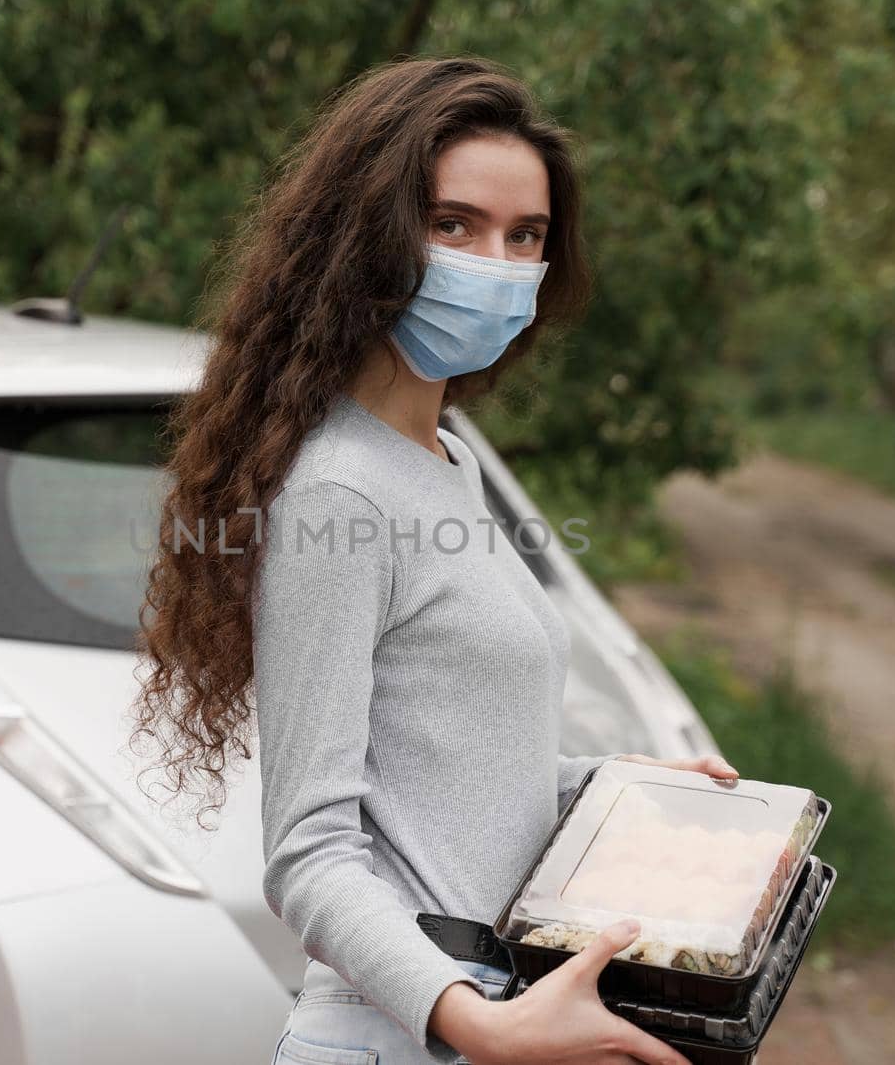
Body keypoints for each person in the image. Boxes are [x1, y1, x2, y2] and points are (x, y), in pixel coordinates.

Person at [133, 56, 738, 1065]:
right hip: (400, 1038)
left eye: (525, 235)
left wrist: (614, 785)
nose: (494, 261)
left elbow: (436, 770)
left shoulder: (445, 459)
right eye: (452, 224)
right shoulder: (341, 489)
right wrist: (477, 1021)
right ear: (364, 236)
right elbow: (309, 853)